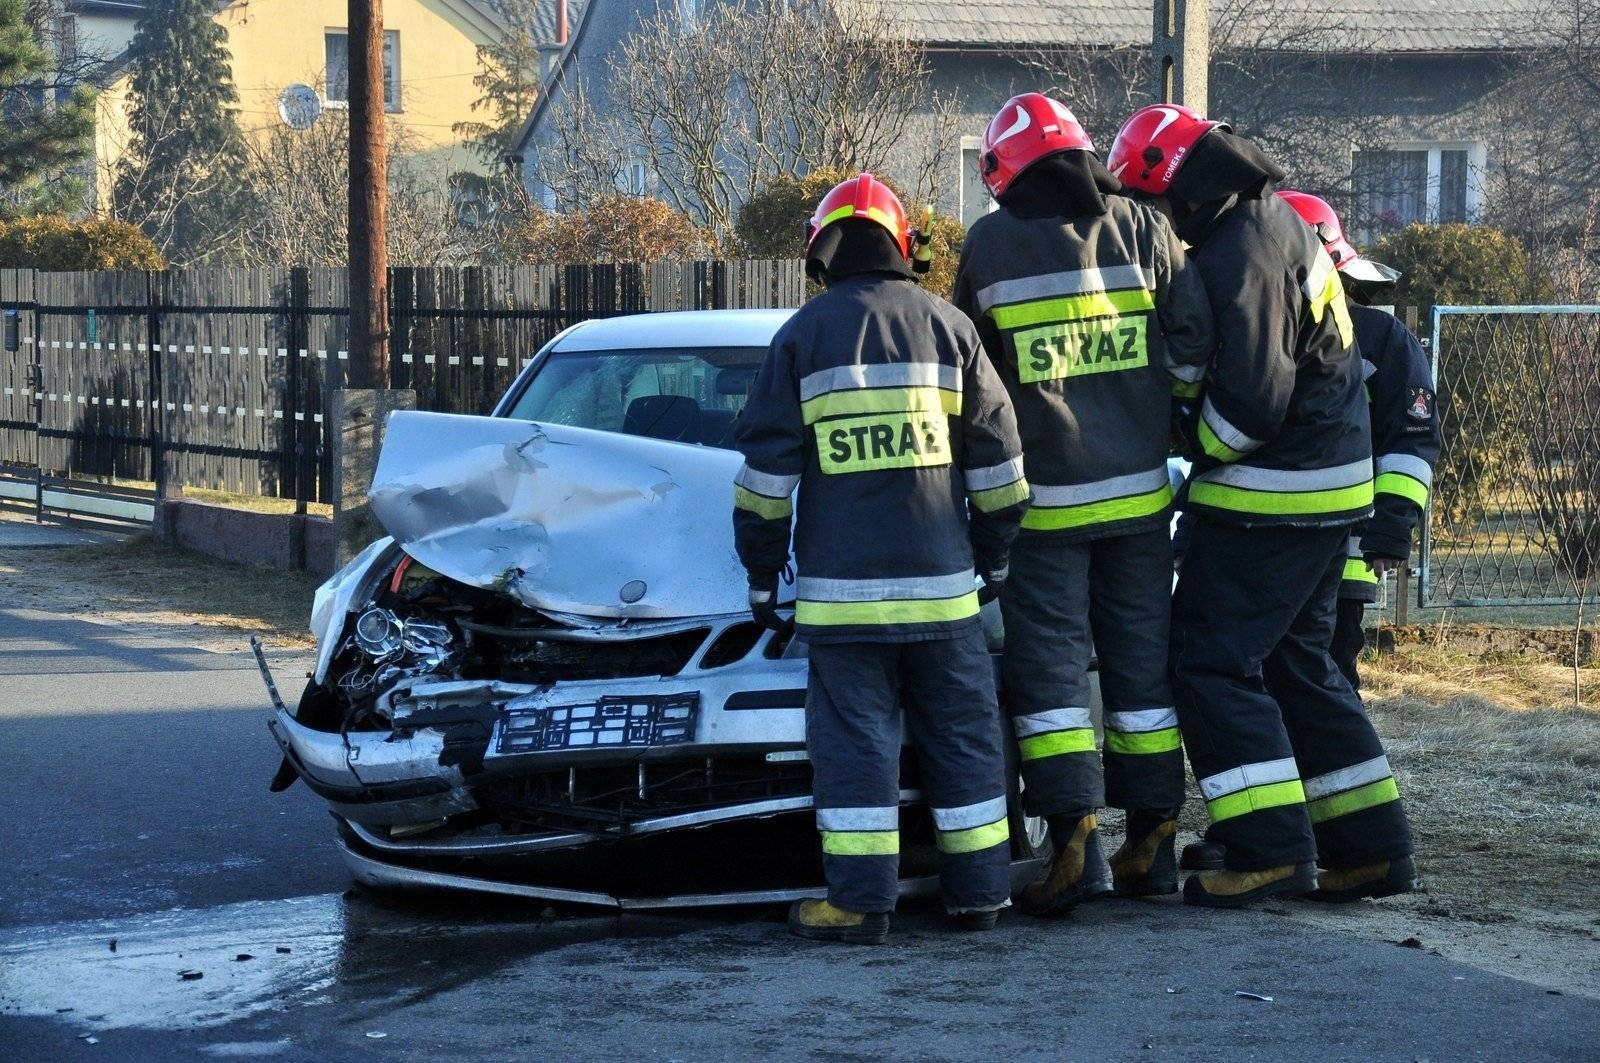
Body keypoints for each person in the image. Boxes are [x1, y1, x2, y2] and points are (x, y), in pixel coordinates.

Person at [1106, 105, 1419, 907]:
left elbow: (1248, 409)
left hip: (1269, 500)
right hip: (1325, 493)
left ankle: (1268, 847)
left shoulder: (1240, 254)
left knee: (1208, 661)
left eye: (1154, 202)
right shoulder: (1275, 224)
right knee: (1298, 666)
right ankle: (1370, 848)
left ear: (1184, 189)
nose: (1157, 221)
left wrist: (1185, 438)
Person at [732, 174, 1031, 944]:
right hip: (944, 600)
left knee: (856, 743)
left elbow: (766, 485)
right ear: (904, 247)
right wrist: (993, 559)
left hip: (845, 606)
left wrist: (763, 573)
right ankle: (982, 895)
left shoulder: (801, 337)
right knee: (964, 738)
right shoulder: (951, 328)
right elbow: (1001, 472)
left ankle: (862, 903)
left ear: (822, 253)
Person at [951, 93, 1216, 915]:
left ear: (1002, 170)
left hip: (1043, 512)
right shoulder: (1144, 228)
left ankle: (1070, 829)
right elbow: (1195, 341)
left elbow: (971, 381)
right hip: (1140, 501)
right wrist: (1157, 406)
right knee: (1141, 672)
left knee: (1054, 674)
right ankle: (1153, 838)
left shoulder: (990, 246)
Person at [1277, 191, 1441, 691]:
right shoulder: (1255, 334)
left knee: (1328, 673)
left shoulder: (1382, 339)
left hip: (1347, 547)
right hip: (1262, 542)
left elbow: (1412, 443)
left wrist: (1390, 531)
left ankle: (1332, 766)